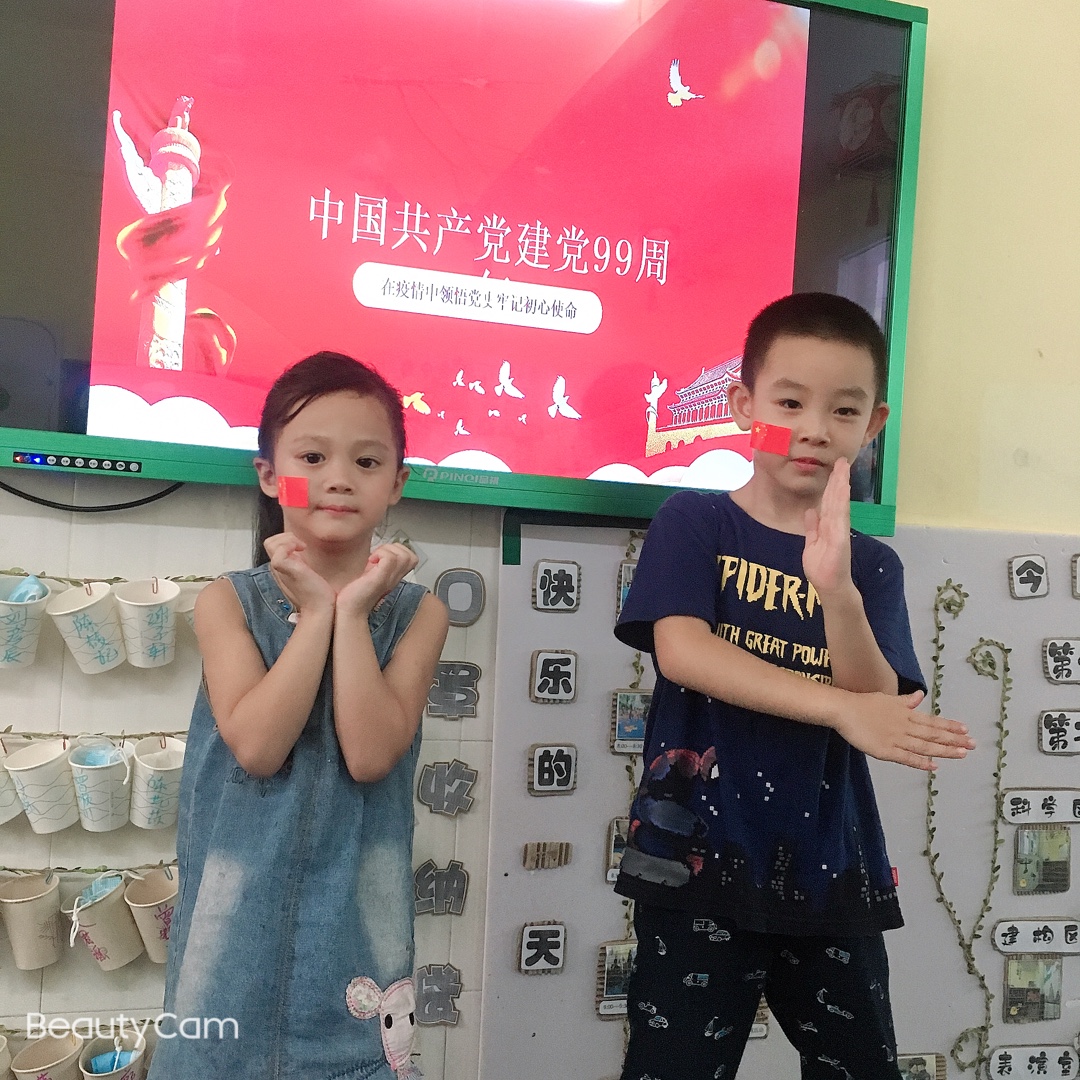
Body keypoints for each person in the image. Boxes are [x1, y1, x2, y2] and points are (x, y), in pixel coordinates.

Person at [614, 293, 975, 1080]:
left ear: (872, 424)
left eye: (842, 410)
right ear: (745, 406)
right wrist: (842, 708)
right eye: (789, 403)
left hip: (832, 872)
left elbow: (878, 700)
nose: (814, 429)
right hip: (697, 868)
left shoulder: (872, 565)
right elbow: (684, 653)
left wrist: (836, 591)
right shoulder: (695, 522)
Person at [150, 352, 449, 1080]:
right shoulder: (226, 601)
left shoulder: (420, 614)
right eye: (311, 457)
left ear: (397, 482)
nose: (339, 477)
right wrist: (316, 613)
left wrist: (352, 612)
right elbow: (258, 747)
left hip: (356, 914)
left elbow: (370, 756)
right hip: (234, 911)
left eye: (367, 461)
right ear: (268, 475)